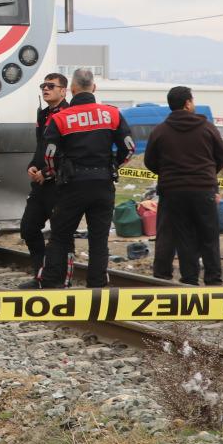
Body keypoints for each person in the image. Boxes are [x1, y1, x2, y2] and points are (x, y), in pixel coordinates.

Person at [32, 68, 135, 289]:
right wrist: (114, 165)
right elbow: (129, 148)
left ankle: (50, 284)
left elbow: (49, 154)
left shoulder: (60, 118)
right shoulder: (112, 114)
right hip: (103, 183)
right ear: (94, 88)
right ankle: (97, 286)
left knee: (60, 236)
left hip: (72, 185)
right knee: (98, 239)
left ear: (72, 89)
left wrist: (54, 171)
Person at [143, 86, 223, 285]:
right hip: (203, 190)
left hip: (173, 192)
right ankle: (213, 280)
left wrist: (168, 174)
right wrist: (207, 174)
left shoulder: (160, 130)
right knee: (208, 235)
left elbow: (149, 161)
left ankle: (189, 279)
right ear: (188, 103)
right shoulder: (207, 127)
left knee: (184, 235)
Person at [19, 73, 69, 282]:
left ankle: (61, 278)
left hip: (59, 183)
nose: (45, 89)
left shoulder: (68, 114)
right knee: (28, 228)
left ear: (63, 91)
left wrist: (48, 173)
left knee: (60, 234)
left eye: (51, 86)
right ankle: (41, 272)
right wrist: (32, 165)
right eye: (43, 85)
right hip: (39, 185)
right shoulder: (43, 114)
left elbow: (68, 151)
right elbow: (41, 147)